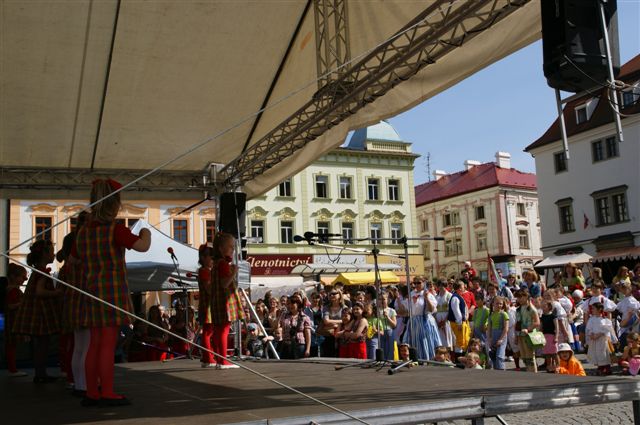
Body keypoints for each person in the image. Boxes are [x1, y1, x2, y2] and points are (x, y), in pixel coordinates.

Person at [73, 178, 151, 406]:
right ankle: (106, 391)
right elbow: (142, 246)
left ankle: (91, 392)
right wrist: (146, 231)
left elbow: (74, 260)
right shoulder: (115, 230)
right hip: (111, 293)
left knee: (93, 345)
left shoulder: (82, 233)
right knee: (107, 344)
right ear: (114, 203)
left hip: (90, 293)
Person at [13, 240, 63, 383]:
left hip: (37, 311)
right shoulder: (42, 272)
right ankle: (40, 373)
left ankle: (40, 372)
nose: (53, 254)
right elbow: (39, 292)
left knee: (40, 344)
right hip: (41, 313)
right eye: (51, 252)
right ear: (44, 254)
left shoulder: (37, 271)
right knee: (42, 344)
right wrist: (57, 292)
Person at [210, 232, 244, 369]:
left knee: (218, 330)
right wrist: (234, 272)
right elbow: (225, 283)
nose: (233, 249)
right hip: (224, 301)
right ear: (221, 249)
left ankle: (219, 359)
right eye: (230, 247)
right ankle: (223, 360)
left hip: (217, 300)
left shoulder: (216, 264)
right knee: (223, 330)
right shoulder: (223, 264)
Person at [403, 278, 441, 360]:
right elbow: (407, 309)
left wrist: (426, 298)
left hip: (425, 321)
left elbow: (432, 310)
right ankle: (417, 359)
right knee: (415, 341)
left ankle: (429, 359)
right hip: (414, 321)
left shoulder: (428, 294)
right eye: (415, 283)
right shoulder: (411, 294)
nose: (416, 285)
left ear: (423, 283)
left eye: (419, 283)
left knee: (426, 341)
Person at [4, 263, 28, 377]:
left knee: (11, 345)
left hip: (11, 320)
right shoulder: (13, 291)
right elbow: (10, 306)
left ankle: (12, 368)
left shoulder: (11, 290)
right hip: (12, 321)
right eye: (23, 277)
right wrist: (22, 304)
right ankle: (12, 369)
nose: (25, 279)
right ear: (15, 277)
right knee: (11, 345)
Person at [197, 244, 215, 368]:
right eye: (210, 256)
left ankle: (206, 357)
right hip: (207, 304)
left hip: (207, 304)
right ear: (203, 258)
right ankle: (208, 358)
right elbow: (209, 289)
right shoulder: (204, 271)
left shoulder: (205, 271)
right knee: (208, 332)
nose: (213, 259)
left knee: (208, 332)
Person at [586, 302, 617, 376]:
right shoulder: (591, 319)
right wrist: (591, 334)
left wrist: (599, 334)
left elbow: (607, 329)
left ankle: (607, 367)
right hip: (594, 340)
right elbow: (588, 328)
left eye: (593, 308)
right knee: (596, 353)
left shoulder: (605, 319)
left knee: (604, 353)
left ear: (599, 309)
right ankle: (600, 367)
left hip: (602, 340)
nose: (592, 310)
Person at [515, 290, 540, 373]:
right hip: (520, 334)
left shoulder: (532, 309)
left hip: (529, 335)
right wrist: (516, 336)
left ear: (526, 297)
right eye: (518, 297)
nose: (519, 299)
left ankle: (533, 373)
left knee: (530, 356)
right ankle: (528, 371)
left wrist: (528, 329)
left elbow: (537, 322)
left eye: (521, 297)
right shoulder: (518, 309)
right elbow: (517, 323)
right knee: (524, 356)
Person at [448, 281, 470, 357]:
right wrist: (459, 323)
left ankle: (461, 358)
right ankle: (459, 360)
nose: (465, 287)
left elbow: (464, 309)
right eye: (463, 286)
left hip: (461, 322)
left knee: (462, 341)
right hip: (457, 323)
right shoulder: (455, 298)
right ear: (460, 288)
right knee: (459, 342)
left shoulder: (459, 296)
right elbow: (456, 311)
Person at [487, 296, 509, 371]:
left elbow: (506, 328)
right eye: (497, 303)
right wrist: (489, 339)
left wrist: (501, 339)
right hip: (493, 336)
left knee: (500, 356)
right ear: (493, 304)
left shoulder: (504, 314)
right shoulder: (491, 315)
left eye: (501, 304)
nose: (499, 305)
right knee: (493, 355)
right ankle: (496, 371)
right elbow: (489, 328)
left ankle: (502, 371)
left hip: (501, 336)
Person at [321, 289, 346, 357]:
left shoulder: (344, 308)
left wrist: (333, 322)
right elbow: (326, 321)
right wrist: (340, 322)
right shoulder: (326, 307)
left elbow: (346, 321)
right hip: (328, 335)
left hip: (341, 336)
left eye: (334, 293)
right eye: (330, 294)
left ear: (339, 295)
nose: (332, 295)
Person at [540, 300, 559, 373]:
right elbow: (541, 327)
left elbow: (557, 327)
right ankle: (549, 367)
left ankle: (557, 366)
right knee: (547, 353)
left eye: (544, 306)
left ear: (549, 307)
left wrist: (556, 337)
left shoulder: (553, 316)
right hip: (545, 336)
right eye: (542, 306)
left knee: (554, 353)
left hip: (552, 336)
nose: (543, 307)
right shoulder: (542, 316)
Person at [434, 280, 453, 351]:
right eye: (439, 285)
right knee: (439, 339)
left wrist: (444, 321)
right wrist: (436, 321)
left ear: (446, 286)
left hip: (447, 320)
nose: (441, 287)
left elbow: (451, 309)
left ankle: (448, 355)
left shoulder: (449, 295)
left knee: (447, 338)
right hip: (438, 320)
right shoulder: (436, 297)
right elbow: (434, 310)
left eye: (443, 285)